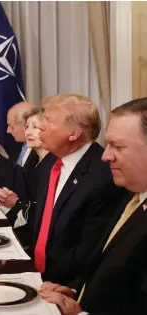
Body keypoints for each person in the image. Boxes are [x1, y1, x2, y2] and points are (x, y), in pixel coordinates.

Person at [0, 94, 126, 284]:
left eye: (48, 121)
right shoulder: (54, 160)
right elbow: (27, 186)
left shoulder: (102, 177)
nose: (40, 126)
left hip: (63, 285)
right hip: (36, 270)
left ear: (73, 134)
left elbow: (88, 251)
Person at [40, 97, 147, 315]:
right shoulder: (132, 195)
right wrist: (76, 290)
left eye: (117, 146)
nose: (106, 155)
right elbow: (114, 272)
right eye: (107, 144)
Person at [0, 108, 50, 246]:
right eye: (27, 127)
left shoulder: (52, 165)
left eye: (35, 127)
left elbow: (41, 214)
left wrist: (16, 202)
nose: (29, 132)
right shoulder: (34, 160)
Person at [0, 101, 39, 204]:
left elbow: (26, 189)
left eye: (11, 126)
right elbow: (3, 178)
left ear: (26, 126)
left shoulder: (42, 153)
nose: (8, 131)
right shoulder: (16, 146)